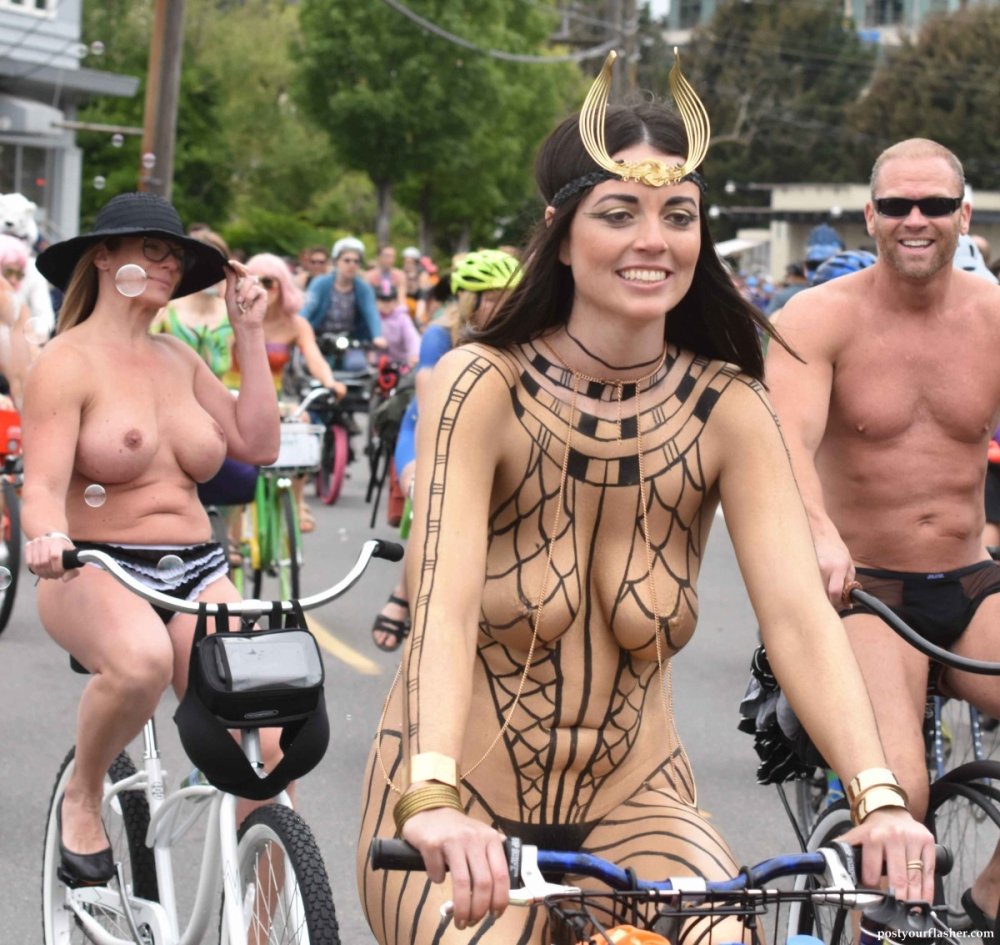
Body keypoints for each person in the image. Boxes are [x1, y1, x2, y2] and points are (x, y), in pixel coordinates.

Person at [356, 54, 933, 944]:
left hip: (639, 804)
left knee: (725, 936)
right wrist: (430, 796)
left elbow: (797, 616)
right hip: (458, 803)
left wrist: (879, 795)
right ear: (561, 234)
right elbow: (444, 602)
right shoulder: (482, 384)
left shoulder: (729, 406)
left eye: (678, 215)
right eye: (619, 212)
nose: (653, 240)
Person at [766, 137, 1000, 932]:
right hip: (868, 590)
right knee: (898, 792)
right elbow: (784, 445)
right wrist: (818, 533)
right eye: (897, 204)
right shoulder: (817, 317)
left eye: (935, 204)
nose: (915, 219)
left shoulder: (992, 315)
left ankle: (985, 903)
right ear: (870, 216)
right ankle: (882, 927)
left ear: (963, 215)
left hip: (970, 582)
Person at [22, 191, 280, 887]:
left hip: (198, 568)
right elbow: (41, 487)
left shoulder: (179, 357)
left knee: (269, 742)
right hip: (94, 566)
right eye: (153, 249)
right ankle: (84, 793)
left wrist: (249, 332)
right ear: (105, 257)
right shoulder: (66, 361)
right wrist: (46, 538)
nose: (169, 264)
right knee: (140, 662)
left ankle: (270, 916)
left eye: (177, 256)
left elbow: (258, 443)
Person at [371, 249, 521, 652]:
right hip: (425, 431)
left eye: (511, 297)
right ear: (470, 301)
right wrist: (430, 469)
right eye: (493, 298)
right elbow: (430, 407)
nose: (504, 306)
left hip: (490, 438)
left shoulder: (525, 334)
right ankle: (403, 595)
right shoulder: (441, 334)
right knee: (431, 499)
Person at [243, 252, 347, 533]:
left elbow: (314, 358)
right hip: (234, 394)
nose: (263, 288)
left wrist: (330, 382)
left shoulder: (295, 324)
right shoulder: (236, 317)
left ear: (283, 285)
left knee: (302, 426)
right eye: (255, 281)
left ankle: (299, 501)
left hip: (276, 398)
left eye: (269, 282)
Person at [301, 236, 387, 372]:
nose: (351, 265)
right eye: (347, 260)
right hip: (319, 338)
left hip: (350, 340)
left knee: (357, 365)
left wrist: (377, 336)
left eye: (356, 261)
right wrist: (297, 329)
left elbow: (371, 312)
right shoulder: (320, 284)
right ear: (336, 262)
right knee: (310, 365)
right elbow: (307, 309)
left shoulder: (364, 288)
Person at [375, 286, 421, 367]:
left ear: (395, 301)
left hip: (399, 363)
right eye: (383, 300)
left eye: (389, 300)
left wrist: (414, 354)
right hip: (375, 363)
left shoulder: (402, 318)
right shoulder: (372, 317)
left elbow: (412, 339)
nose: (386, 304)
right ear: (377, 301)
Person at [365, 243, 407, 307]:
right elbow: (366, 300)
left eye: (392, 256)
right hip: (374, 309)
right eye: (387, 256)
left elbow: (401, 299)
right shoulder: (368, 276)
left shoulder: (400, 275)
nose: (390, 259)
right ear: (378, 257)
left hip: (394, 309)